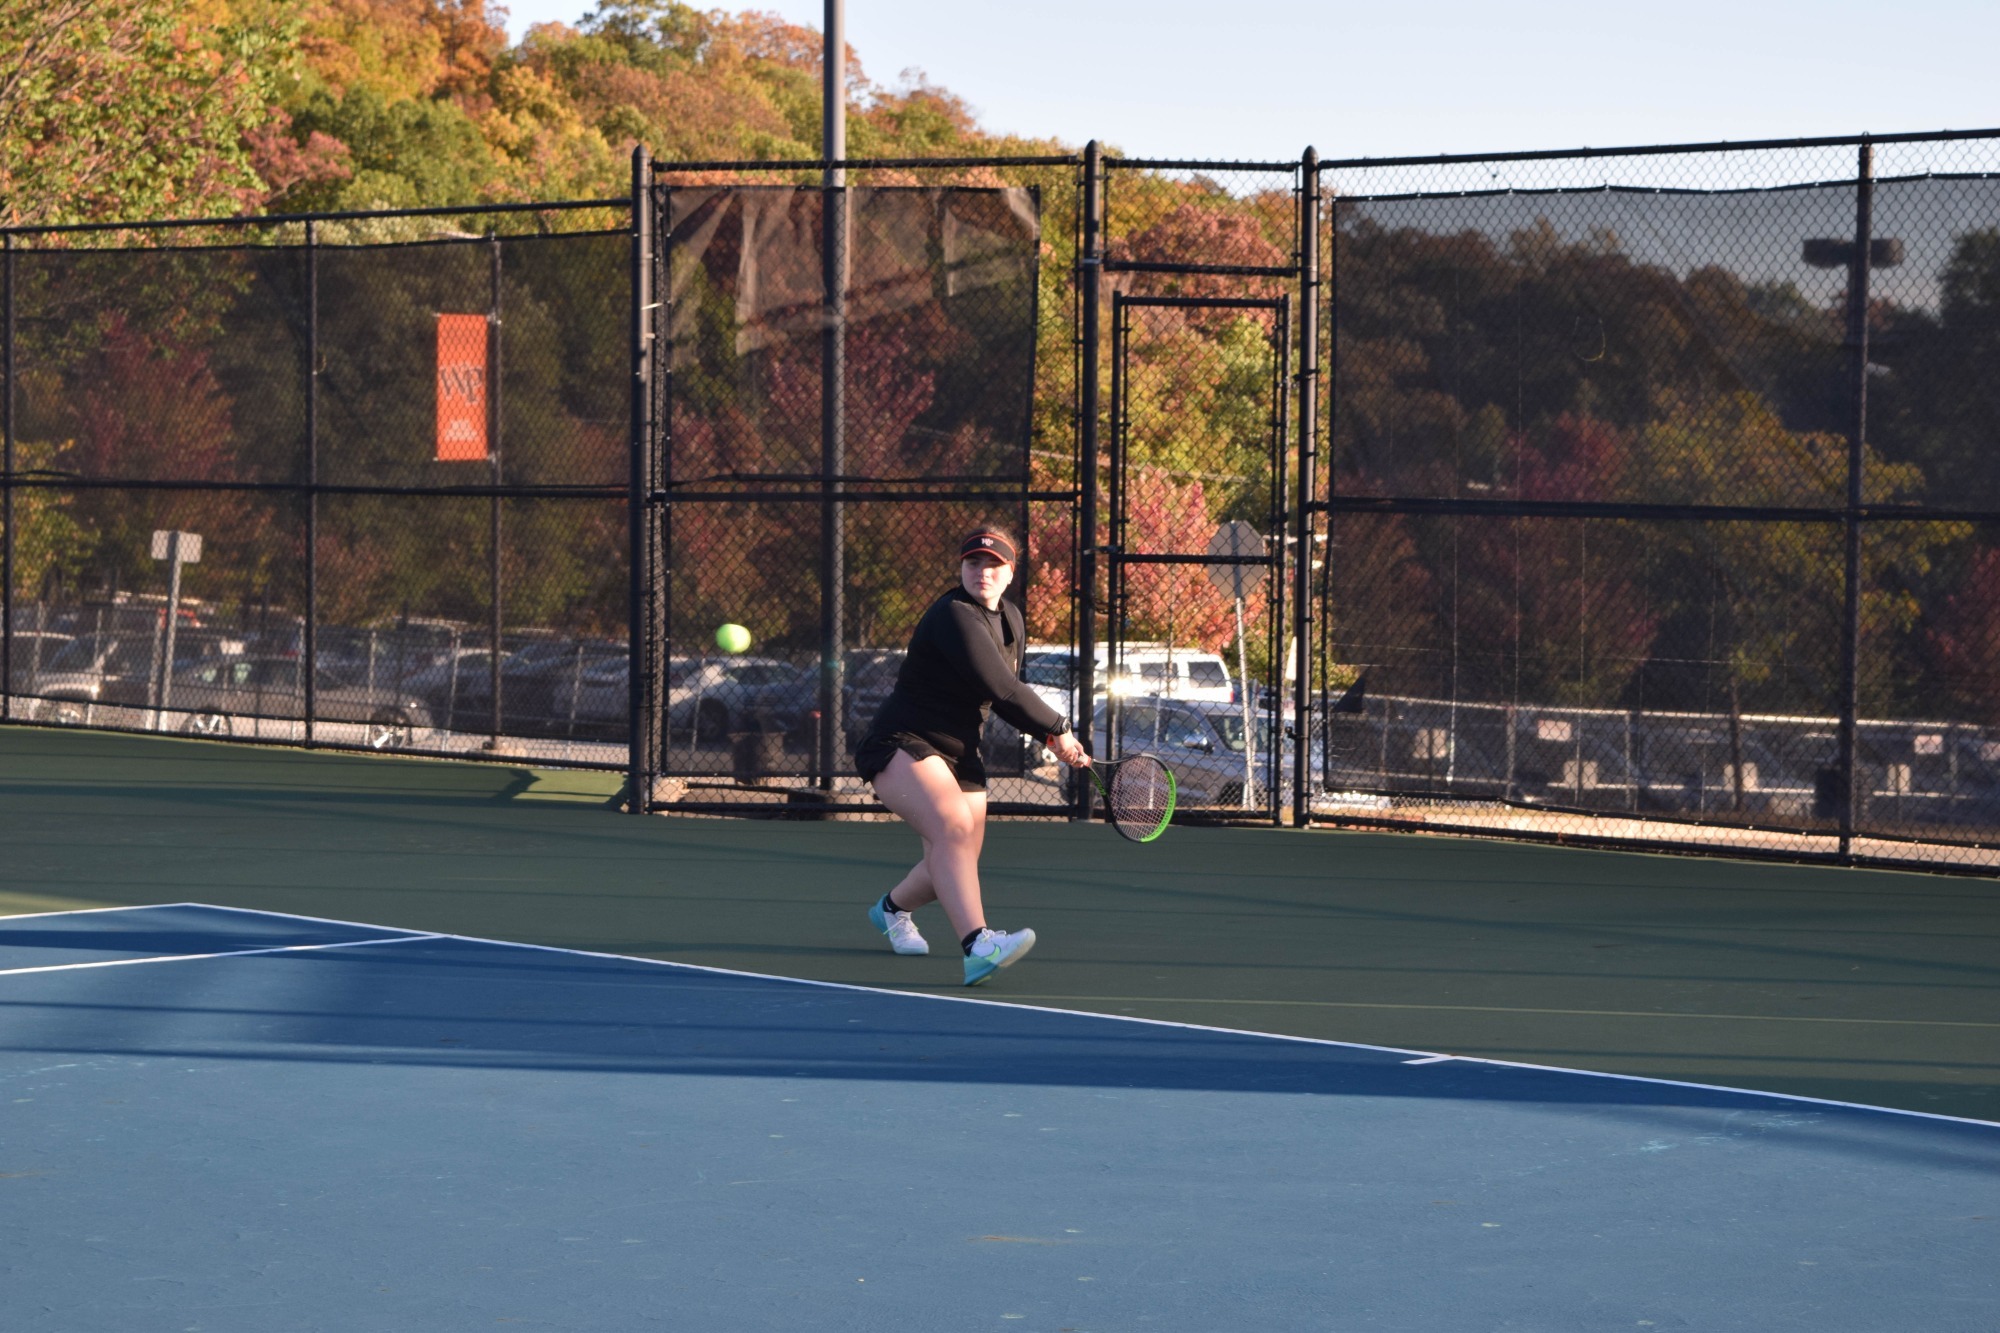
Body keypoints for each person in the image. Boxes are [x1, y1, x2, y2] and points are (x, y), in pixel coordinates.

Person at [852, 526, 1090, 985]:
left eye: (993, 564)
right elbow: (1000, 686)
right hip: (902, 739)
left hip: (961, 750)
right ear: (962, 568)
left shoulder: (1011, 619)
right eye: (973, 563)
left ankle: (891, 910)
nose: (982, 571)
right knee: (953, 830)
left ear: (1010, 573)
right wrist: (1057, 728)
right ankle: (979, 945)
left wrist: (1047, 737)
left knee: (957, 855)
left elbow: (1001, 697)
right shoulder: (954, 615)